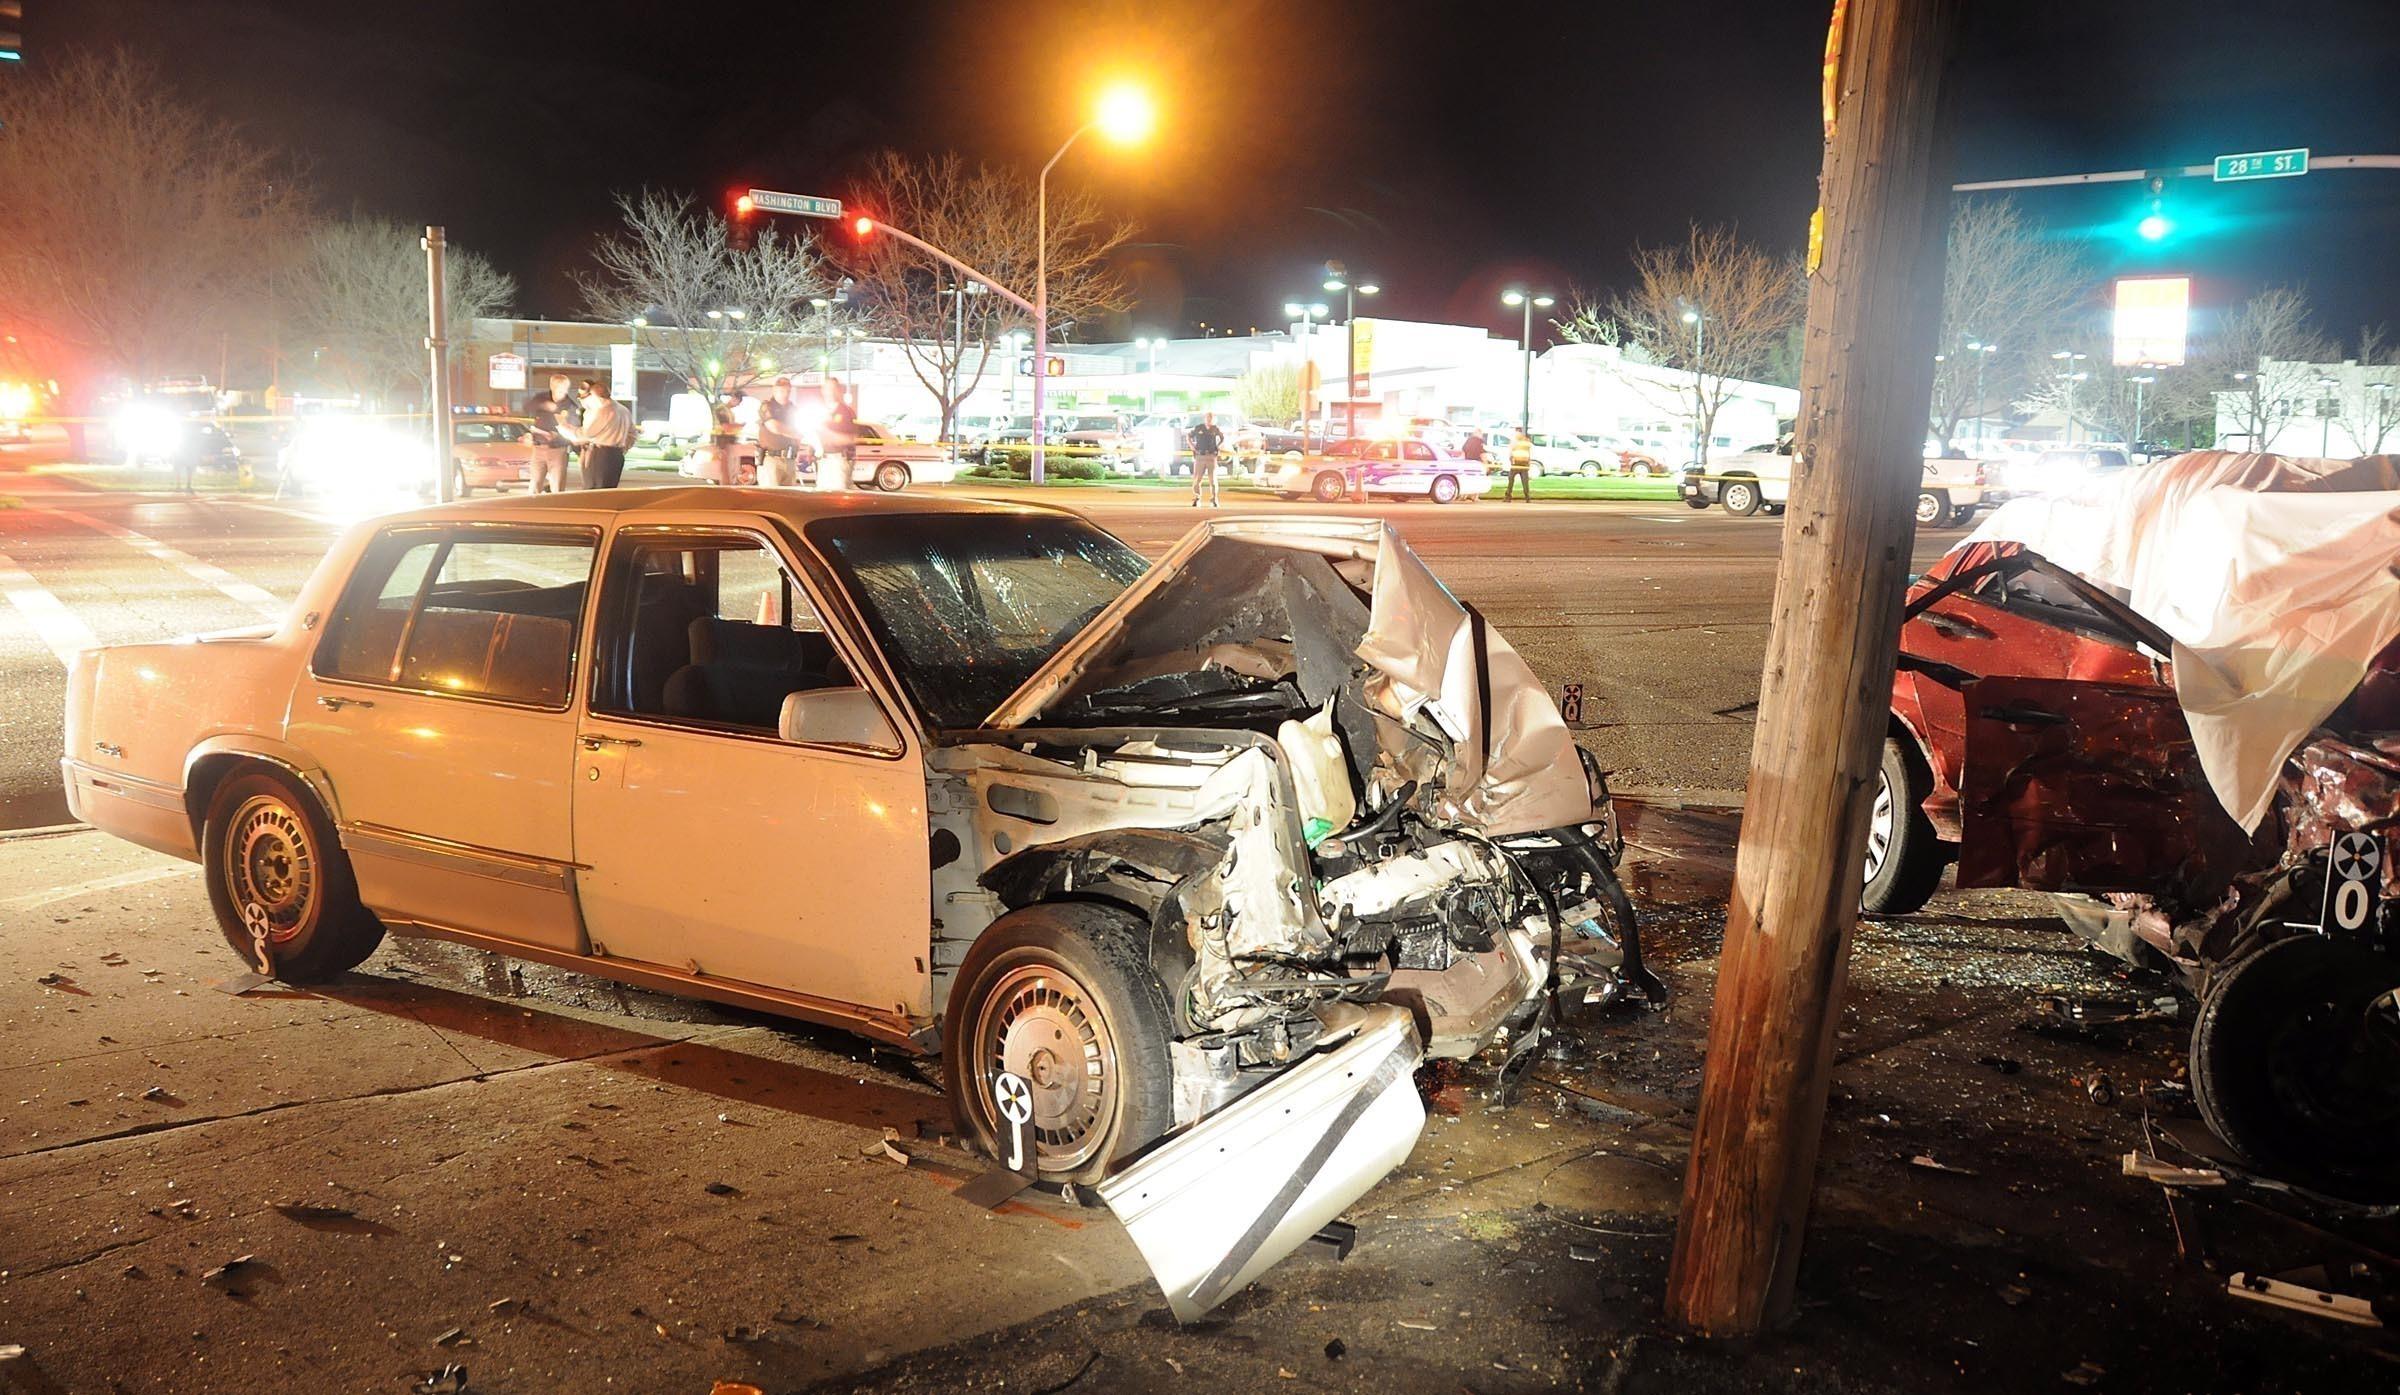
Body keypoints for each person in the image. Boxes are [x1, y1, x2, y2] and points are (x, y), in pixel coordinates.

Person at [564, 379, 632, 489]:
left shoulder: (604, 411)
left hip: (600, 455)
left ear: (594, 396)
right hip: (615, 454)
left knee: (594, 489)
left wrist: (564, 428)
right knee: (608, 490)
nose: (582, 402)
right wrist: (622, 448)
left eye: (584, 398)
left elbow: (587, 434)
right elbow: (632, 434)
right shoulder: (623, 410)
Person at [757, 377, 801, 486]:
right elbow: (774, 427)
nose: (785, 394)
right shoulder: (767, 406)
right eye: (782, 391)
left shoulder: (792, 409)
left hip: (789, 458)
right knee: (771, 494)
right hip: (771, 459)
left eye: (788, 391)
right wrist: (795, 433)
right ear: (774, 390)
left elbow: (800, 431)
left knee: (789, 495)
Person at [817, 377, 858, 492]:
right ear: (822, 390)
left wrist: (829, 434)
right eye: (827, 388)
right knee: (821, 498)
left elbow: (852, 438)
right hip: (823, 460)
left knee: (837, 498)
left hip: (838, 460)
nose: (829, 392)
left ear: (838, 390)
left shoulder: (846, 412)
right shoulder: (820, 411)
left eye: (833, 388)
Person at [526, 391, 571, 493]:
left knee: (557, 485)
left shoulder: (568, 405)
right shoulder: (542, 397)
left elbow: (573, 427)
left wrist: (558, 437)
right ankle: (533, 502)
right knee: (535, 483)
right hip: (538, 447)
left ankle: (555, 502)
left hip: (557, 449)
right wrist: (543, 405)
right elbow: (527, 407)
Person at [1189, 412, 1224, 507]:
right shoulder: (1199, 428)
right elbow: (1189, 436)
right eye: (1208, 418)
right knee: (1197, 479)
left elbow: (1222, 439)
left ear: (1214, 420)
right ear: (1205, 418)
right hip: (1200, 456)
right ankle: (1197, 498)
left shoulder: (1215, 429)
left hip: (1211, 456)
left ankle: (1214, 499)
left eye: (1211, 418)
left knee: (1213, 480)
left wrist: (1218, 447)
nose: (1209, 420)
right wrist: (1192, 446)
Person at [1504, 429, 1534, 502]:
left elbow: (1511, 452)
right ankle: (1527, 497)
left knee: (1512, 480)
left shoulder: (1516, 442)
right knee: (1523, 481)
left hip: (1518, 463)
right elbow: (1529, 453)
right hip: (1521, 464)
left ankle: (1508, 496)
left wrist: (1511, 460)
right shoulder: (1526, 442)